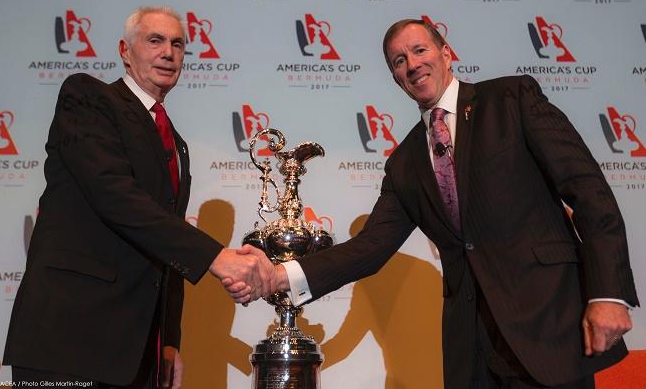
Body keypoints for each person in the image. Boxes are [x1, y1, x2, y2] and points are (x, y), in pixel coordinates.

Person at [232, 19, 639, 388]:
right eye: (398, 61)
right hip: (472, 347)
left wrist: (608, 293)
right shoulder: (406, 162)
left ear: (446, 54)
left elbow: (589, 191)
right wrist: (278, 276)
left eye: (420, 51)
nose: (411, 64)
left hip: (546, 326)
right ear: (395, 78)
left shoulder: (511, 100)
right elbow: (368, 248)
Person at [4, 6, 276, 389]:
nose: (168, 52)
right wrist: (217, 257)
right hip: (67, 339)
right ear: (124, 51)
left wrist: (168, 341)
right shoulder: (87, 97)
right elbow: (114, 195)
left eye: (178, 44)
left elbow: (167, 245)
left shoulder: (176, 144)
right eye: (155, 40)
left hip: (137, 353)